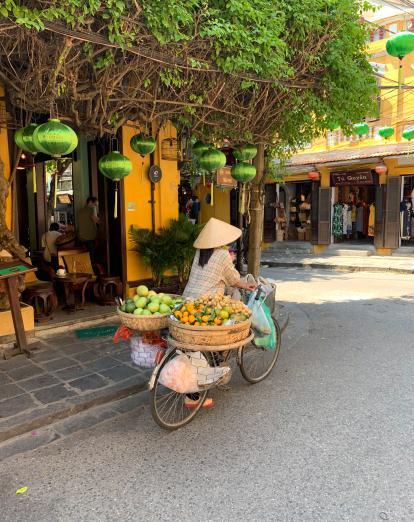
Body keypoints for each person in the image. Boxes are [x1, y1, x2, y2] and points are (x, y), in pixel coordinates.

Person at [182, 217, 256, 409]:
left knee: (193, 344)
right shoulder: (222, 255)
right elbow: (233, 279)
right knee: (221, 332)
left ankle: (213, 365)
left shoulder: (200, 252)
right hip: (205, 306)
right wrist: (246, 284)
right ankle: (194, 395)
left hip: (187, 303)